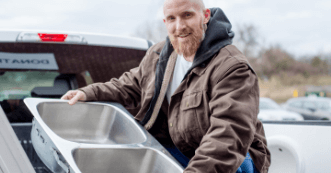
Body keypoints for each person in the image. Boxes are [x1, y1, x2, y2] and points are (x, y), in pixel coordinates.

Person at [61, 0, 271, 172]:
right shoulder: (159, 54)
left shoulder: (232, 67)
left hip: (231, 156)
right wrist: (86, 92)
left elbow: (228, 137)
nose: (179, 26)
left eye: (187, 15)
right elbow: (129, 85)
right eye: (172, 18)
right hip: (180, 148)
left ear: (205, 16)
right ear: (165, 21)